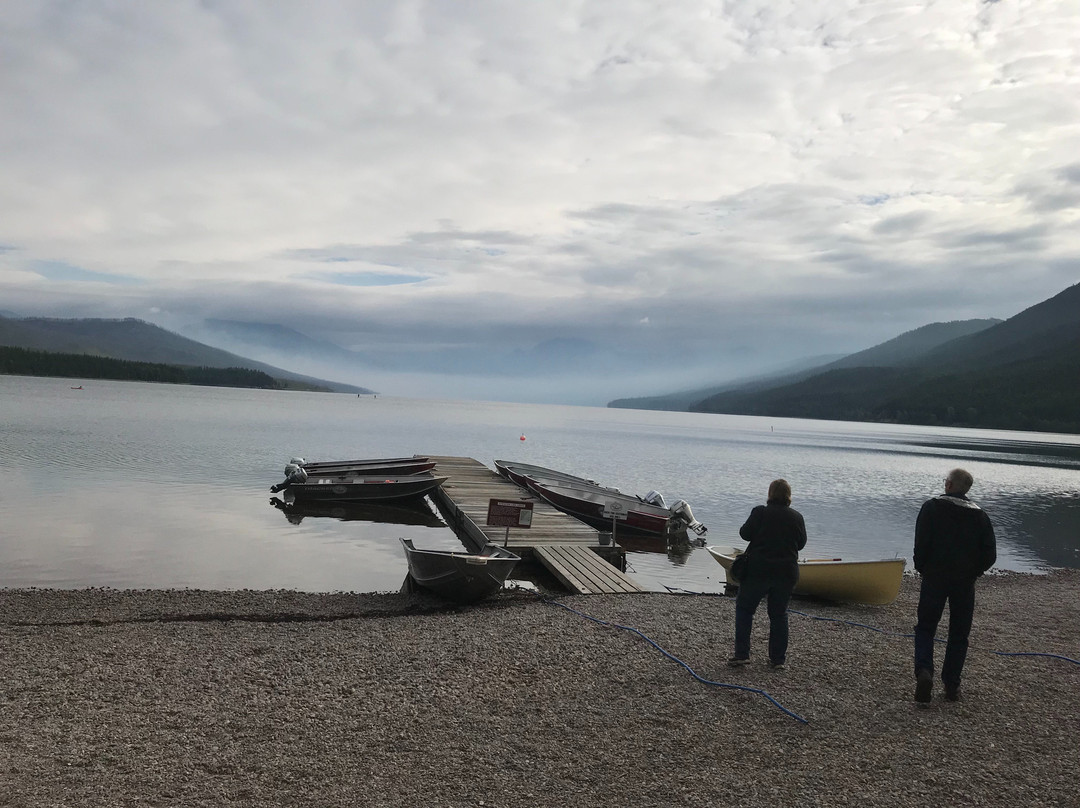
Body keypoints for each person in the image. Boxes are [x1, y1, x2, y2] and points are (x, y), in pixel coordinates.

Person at [913, 468, 997, 704]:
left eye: (945, 481)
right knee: (959, 633)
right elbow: (990, 553)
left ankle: (924, 671)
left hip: (934, 578)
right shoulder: (980, 516)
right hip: (964, 582)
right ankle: (951, 685)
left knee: (926, 627)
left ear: (949, 485)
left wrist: (922, 567)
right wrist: (975, 571)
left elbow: (921, 543)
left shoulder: (931, 507)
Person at [729, 479, 807, 669]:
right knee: (779, 614)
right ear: (789, 496)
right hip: (786, 573)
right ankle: (778, 660)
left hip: (758, 571)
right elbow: (802, 544)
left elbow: (745, 534)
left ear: (770, 494)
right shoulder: (797, 517)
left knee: (745, 610)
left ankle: (742, 654)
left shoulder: (760, 512)